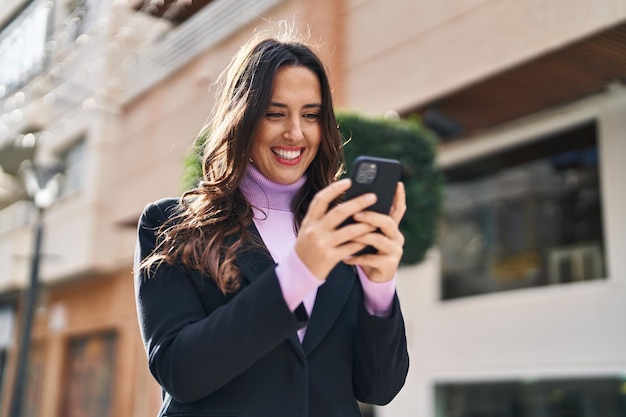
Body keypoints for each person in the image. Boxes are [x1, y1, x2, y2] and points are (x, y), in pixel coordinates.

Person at [134, 30, 409, 417]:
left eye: (310, 115)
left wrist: (379, 289)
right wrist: (299, 272)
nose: (295, 132)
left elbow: (379, 387)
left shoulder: (340, 228)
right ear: (243, 118)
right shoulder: (169, 224)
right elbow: (180, 372)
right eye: (275, 113)